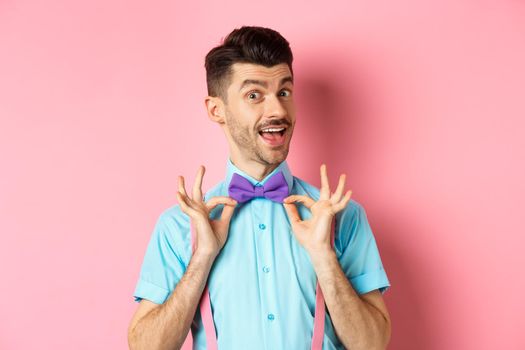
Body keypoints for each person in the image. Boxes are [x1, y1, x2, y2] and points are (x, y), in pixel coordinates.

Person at [128, 26, 391, 350]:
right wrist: (202, 257)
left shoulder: (342, 215)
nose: (278, 111)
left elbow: (373, 345)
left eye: (284, 92)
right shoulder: (180, 224)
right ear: (216, 109)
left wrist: (324, 257)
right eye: (254, 95)